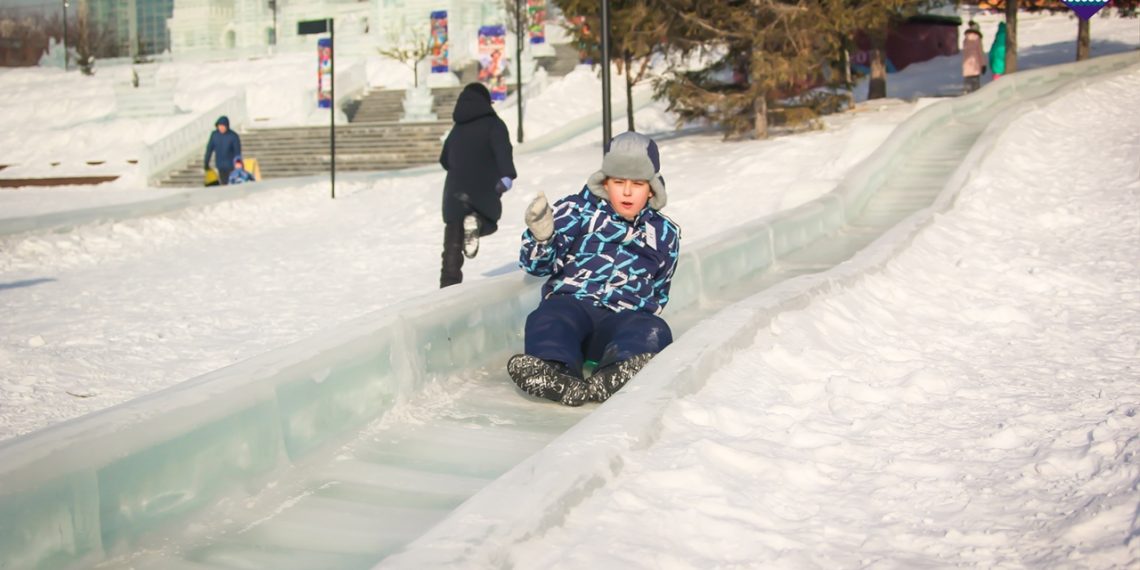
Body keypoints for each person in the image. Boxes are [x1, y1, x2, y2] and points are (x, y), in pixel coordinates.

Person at [507, 131, 681, 407]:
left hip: (623, 320)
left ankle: (617, 371)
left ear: (652, 189)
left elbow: (661, 286)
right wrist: (542, 238)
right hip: (573, 307)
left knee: (653, 328)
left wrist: (642, 311)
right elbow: (537, 266)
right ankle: (555, 369)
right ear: (605, 182)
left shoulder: (663, 233)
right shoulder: (577, 211)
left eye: (637, 184)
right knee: (549, 316)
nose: (627, 192)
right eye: (619, 182)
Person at [438, 82, 517, 288]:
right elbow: (502, 150)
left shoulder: (456, 129)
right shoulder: (494, 124)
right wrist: (507, 176)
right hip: (482, 189)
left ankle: (448, 284)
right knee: (488, 221)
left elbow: (444, 160)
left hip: (454, 192)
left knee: (452, 241)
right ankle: (477, 225)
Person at [204, 116, 242, 185]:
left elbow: (237, 152)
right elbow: (209, 149)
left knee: (232, 184)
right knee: (224, 184)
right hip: (220, 166)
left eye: (223, 126)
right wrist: (206, 162)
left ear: (227, 126)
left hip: (231, 166)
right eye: (220, 126)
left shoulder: (233, 136)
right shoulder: (214, 135)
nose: (221, 128)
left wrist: (238, 164)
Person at [961, 21, 986, 93]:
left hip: (966, 66)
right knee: (976, 88)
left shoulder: (966, 39)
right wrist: (983, 65)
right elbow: (980, 53)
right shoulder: (977, 39)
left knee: (968, 86)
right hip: (975, 65)